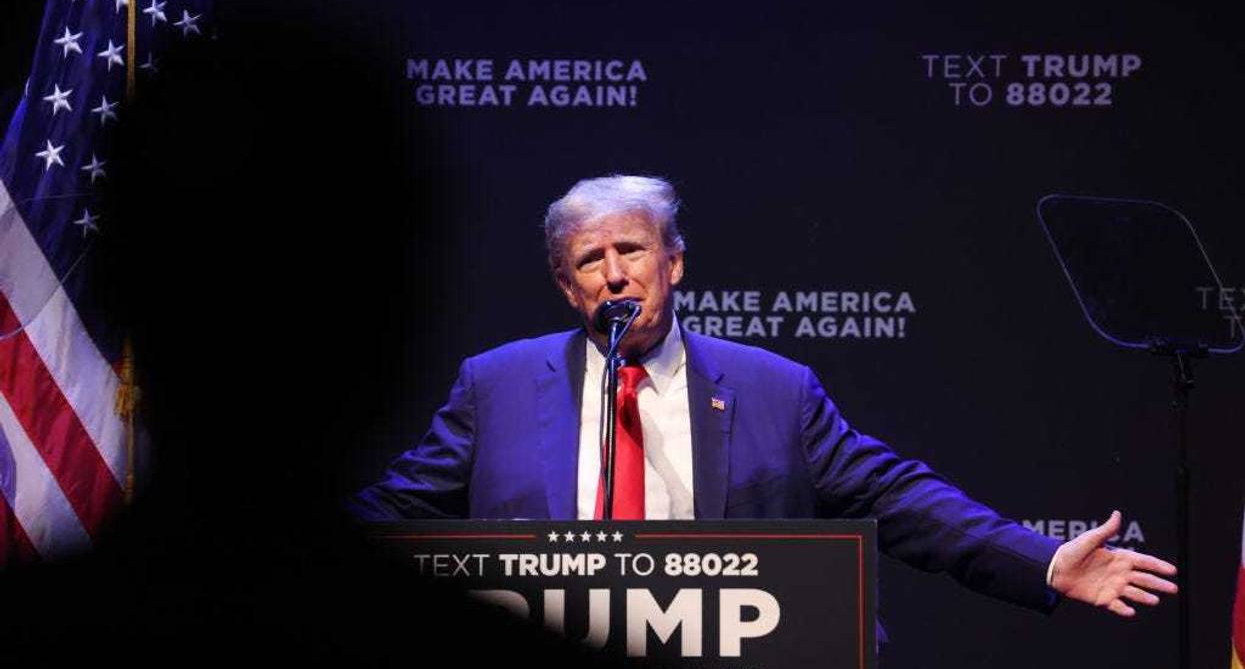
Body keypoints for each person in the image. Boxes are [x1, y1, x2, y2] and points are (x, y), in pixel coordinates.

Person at [351, 174, 1177, 619]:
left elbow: (896, 496)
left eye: (630, 250)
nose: (613, 274)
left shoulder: (771, 389)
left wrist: (1038, 559)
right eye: (588, 261)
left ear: (672, 264)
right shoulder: (494, 384)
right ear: (568, 289)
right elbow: (396, 507)